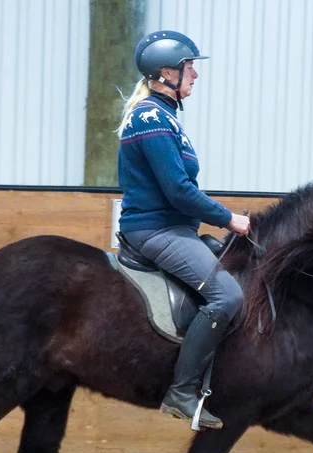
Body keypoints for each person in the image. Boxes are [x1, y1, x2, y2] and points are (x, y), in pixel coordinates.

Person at [116, 30, 250, 431]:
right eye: (189, 67)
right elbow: (178, 190)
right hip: (157, 229)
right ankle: (182, 390)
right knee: (226, 296)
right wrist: (228, 218)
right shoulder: (151, 118)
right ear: (165, 74)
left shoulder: (167, 118)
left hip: (175, 227)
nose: (194, 75)